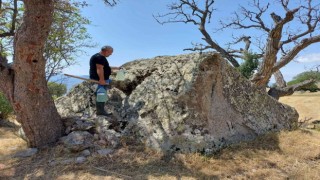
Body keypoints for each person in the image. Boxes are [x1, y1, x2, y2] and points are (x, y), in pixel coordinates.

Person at [89, 45, 120, 116]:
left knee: (102, 95)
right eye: (110, 52)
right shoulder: (99, 57)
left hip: (100, 79)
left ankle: (101, 110)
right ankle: (100, 112)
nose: (111, 54)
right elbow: (99, 69)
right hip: (98, 80)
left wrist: (116, 68)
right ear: (106, 51)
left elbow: (105, 67)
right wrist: (102, 80)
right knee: (101, 95)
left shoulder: (99, 57)